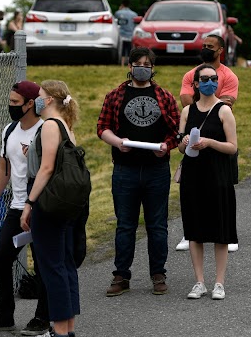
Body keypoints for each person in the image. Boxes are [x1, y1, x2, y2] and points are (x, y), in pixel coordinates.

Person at [97, 47, 180, 296]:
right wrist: (117, 142)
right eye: (138, 63)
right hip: (125, 170)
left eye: (147, 63)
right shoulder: (115, 95)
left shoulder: (164, 96)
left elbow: (176, 130)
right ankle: (121, 275)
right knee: (125, 225)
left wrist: (167, 147)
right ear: (130, 66)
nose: (142, 67)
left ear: (153, 68)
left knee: (157, 225)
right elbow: (102, 127)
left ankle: (158, 274)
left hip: (157, 169)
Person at [0, 81, 47, 335]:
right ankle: (4, 314)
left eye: (15, 103)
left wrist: (32, 203)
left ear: (30, 104)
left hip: (40, 208)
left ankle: (43, 317)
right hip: (16, 208)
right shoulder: (9, 130)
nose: (10, 106)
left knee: (43, 264)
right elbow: (3, 167)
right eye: (10, 101)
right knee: (0, 258)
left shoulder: (44, 130)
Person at [21, 80, 83, 337]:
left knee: (52, 265)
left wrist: (29, 203)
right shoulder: (66, 127)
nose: (36, 99)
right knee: (65, 263)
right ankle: (67, 328)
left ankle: (58, 332)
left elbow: (46, 169)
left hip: (50, 202)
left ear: (48, 101)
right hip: (68, 204)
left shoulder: (49, 125)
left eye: (39, 96)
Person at [178, 64, 238, 300]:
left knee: (220, 230)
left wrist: (210, 142)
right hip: (193, 176)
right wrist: (184, 142)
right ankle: (199, 281)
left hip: (218, 176)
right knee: (195, 230)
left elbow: (233, 147)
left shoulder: (224, 110)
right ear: (195, 83)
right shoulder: (187, 111)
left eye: (214, 78)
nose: (210, 82)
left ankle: (219, 283)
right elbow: (180, 146)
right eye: (205, 79)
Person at [177, 34, 239, 252]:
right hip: (195, 153)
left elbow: (227, 103)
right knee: (194, 195)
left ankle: (225, 233)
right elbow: (186, 100)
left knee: (221, 190)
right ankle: (191, 233)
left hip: (219, 138)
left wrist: (209, 103)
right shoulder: (190, 74)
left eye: (210, 47)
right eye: (203, 46)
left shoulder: (229, 76)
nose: (205, 49)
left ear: (220, 49)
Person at [115, 0, 138, 67]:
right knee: (129, 49)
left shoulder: (118, 13)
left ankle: (122, 64)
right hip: (131, 35)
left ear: (122, 5)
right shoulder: (134, 14)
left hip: (121, 35)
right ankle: (129, 64)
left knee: (122, 50)